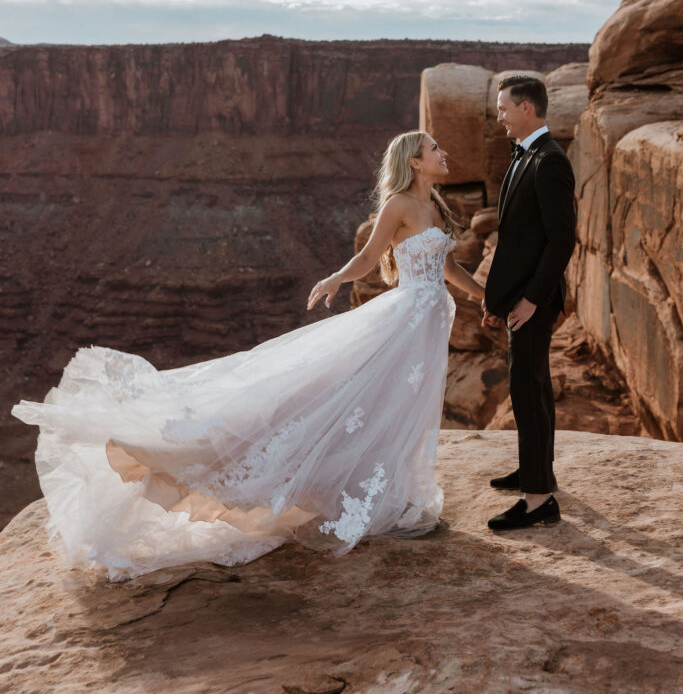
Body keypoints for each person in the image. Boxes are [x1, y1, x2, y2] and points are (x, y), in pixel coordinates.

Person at [12, 130, 485, 581]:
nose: (442, 152)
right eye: (433, 147)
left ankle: (391, 492)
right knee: (359, 398)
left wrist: (483, 294)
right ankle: (354, 490)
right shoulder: (399, 204)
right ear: (414, 161)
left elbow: (447, 267)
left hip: (426, 322)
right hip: (401, 321)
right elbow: (369, 257)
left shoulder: (433, 206)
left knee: (403, 407)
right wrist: (336, 278)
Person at [482, 76, 576, 531]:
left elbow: (562, 241)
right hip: (519, 298)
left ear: (526, 109)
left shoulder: (550, 162)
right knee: (532, 387)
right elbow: (516, 242)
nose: (498, 116)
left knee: (528, 389)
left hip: (534, 301)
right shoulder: (526, 155)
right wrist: (499, 300)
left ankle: (538, 501)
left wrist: (531, 301)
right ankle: (535, 470)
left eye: (503, 108)